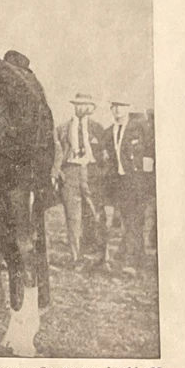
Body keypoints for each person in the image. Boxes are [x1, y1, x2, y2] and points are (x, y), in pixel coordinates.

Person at [98, 97, 155, 275]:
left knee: (134, 221)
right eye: (114, 107)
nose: (117, 110)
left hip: (138, 182)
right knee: (130, 222)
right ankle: (137, 259)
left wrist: (147, 182)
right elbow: (108, 160)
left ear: (129, 107)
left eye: (121, 106)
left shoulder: (140, 128)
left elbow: (149, 153)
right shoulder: (108, 133)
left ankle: (130, 262)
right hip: (120, 184)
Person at [54, 92, 105, 266]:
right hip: (71, 173)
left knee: (96, 214)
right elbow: (57, 152)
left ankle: (100, 255)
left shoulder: (98, 128)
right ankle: (76, 257)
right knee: (73, 217)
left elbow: (106, 154)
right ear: (74, 106)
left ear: (91, 108)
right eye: (78, 104)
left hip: (91, 173)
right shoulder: (62, 128)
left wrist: (100, 173)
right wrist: (58, 171)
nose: (82, 108)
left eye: (85, 104)